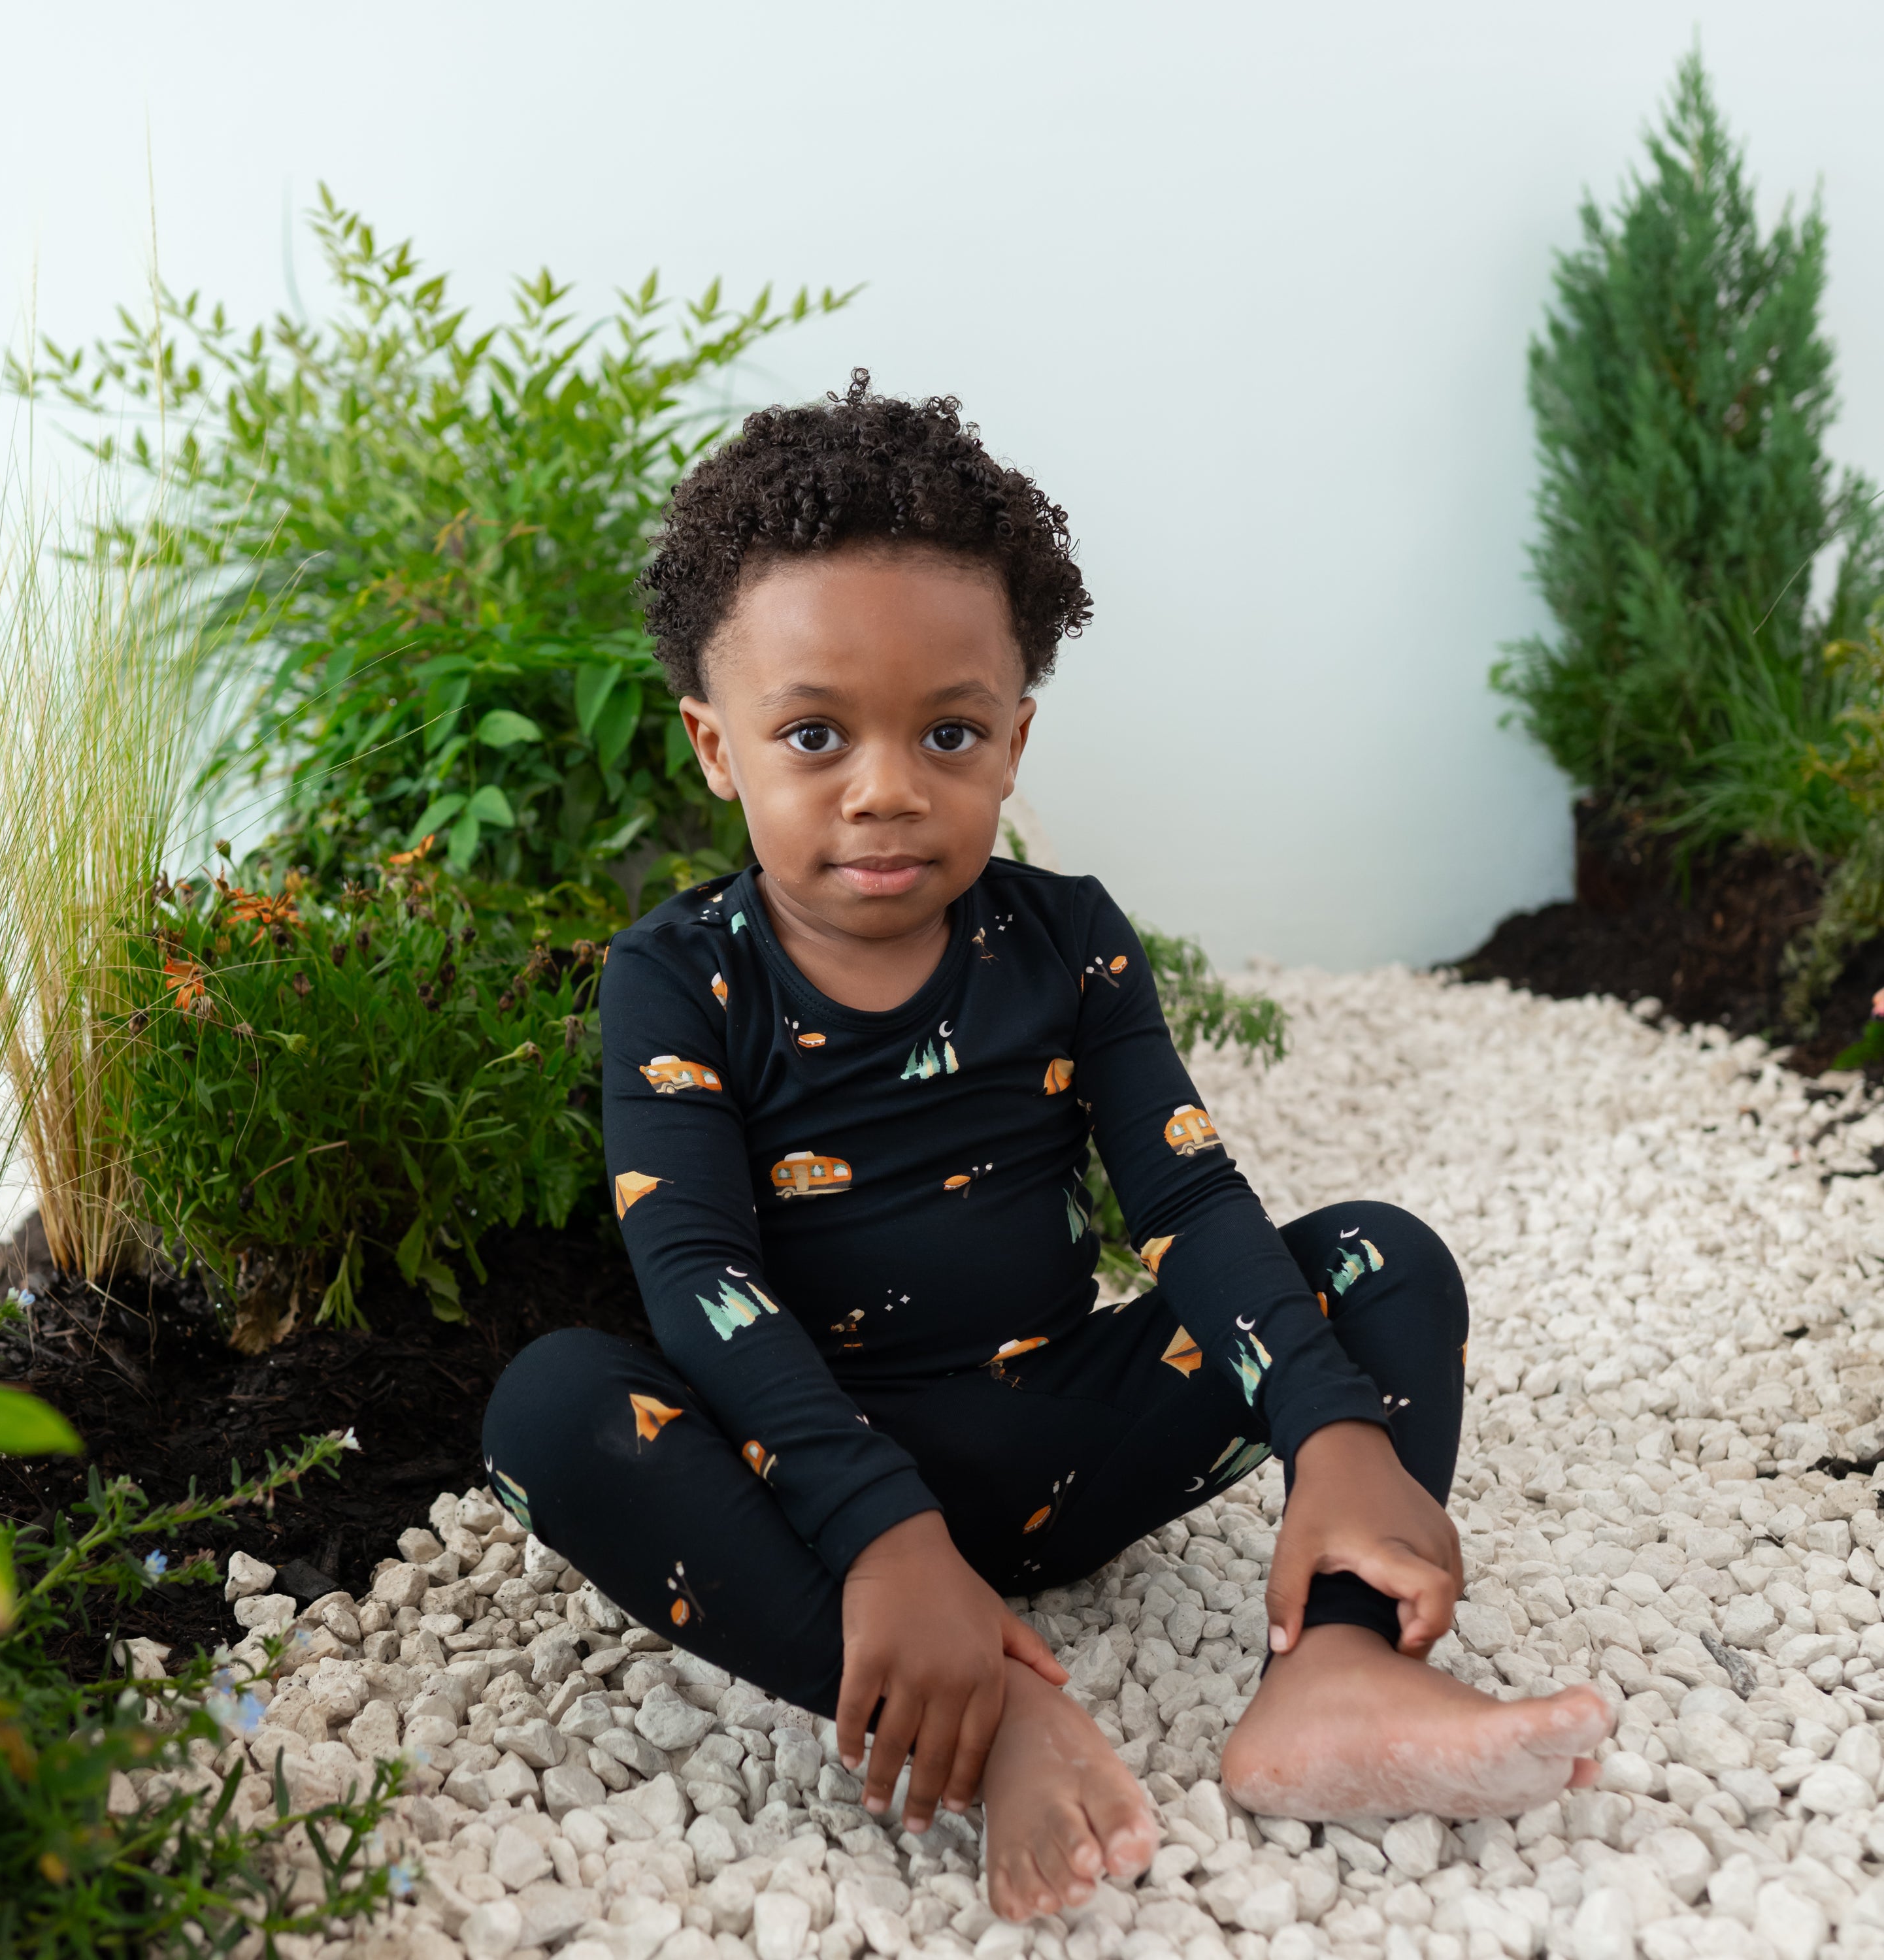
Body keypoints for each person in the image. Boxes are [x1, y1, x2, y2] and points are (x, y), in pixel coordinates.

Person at [482, 372, 1610, 1921]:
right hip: (806, 1481)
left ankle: (1339, 1668)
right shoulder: (678, 978)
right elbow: (698, 1281)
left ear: (1013, 742)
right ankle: (990, 1707)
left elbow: (1187, 1200)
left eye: (947, 731)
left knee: (1381, 1258)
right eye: (815, 733)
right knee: (551, 1412)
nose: (887, 787)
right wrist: (882, 1533)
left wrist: (1334, 1426)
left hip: (1055, 1441)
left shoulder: (1066, 942)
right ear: (714, 748)